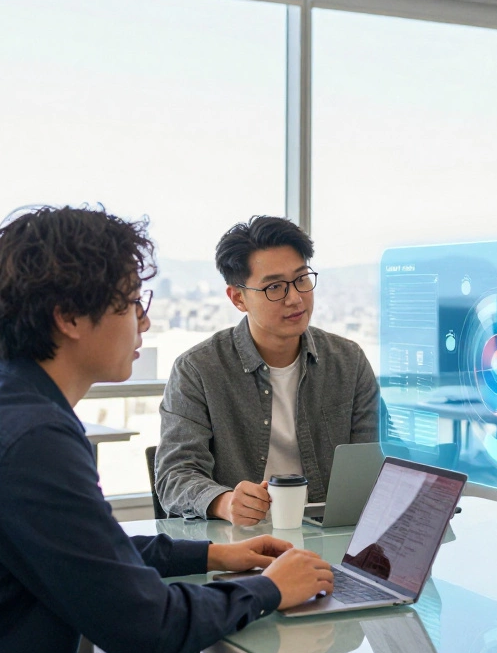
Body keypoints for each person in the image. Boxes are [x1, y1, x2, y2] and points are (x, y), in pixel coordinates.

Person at [0, 207, 334, 653]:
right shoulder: (31, 440)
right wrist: (270, 589)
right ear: (69, 317)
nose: (143, 323)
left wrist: (212, 554)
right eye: (131, 304)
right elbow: (148, 628)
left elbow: (88, 552)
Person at [156, 216, 379, 525]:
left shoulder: (348, 361)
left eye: (302, 279)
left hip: (330, 533)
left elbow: (375, 461)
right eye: (275, 287)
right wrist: (224, 502)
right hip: (238, 539)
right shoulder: (198, 370)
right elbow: (175, 475)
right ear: (238, 298)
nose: (295, 298)